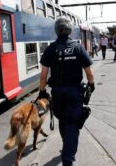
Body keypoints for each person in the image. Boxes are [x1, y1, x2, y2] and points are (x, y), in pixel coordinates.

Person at [38, 17, 95, 166]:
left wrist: (42, 92)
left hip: (57, 95)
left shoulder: (50, 49)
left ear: (56, 31)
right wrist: (91, 85)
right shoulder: (78, 48)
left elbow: (43, 75)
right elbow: (89, 73)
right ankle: (68, 160)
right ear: (69, 30)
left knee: (63, 121)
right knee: (72, 125)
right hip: (74, 94)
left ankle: (66, 147)